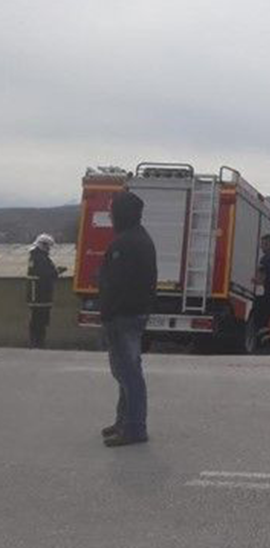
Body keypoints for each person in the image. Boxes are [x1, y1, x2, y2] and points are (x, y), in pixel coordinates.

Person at [99, 190, 157, 448]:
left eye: (112, 211)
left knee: (128, 372)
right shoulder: (139, 238)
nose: (110, 215)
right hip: (131, 313)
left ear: (122, 213)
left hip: (123, 315)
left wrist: (107, 312)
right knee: (126, 371)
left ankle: (134, 428)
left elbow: (117, 284)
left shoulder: (126, 243)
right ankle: (124, 421)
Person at [25, 234, 66, 348]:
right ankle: (37, 343)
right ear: (43, 245)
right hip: (40, 294)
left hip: (39, 294)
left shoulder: (37, 256)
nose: (49, 249)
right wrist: (58, 271)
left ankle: (37, 343)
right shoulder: (39, 257)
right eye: (48, 246)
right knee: (39, 320)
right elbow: (46, 274)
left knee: (38, 320)